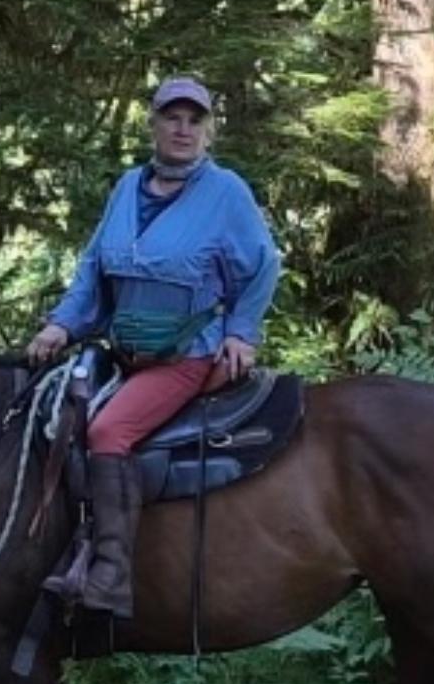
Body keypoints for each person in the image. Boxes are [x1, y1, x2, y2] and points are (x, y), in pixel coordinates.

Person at [27, 76, 281, 620]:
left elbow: (263, 265)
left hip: (185, 356)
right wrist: (61, 325)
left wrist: (241, 333)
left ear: (209, 130)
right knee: (49, 416)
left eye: (195, 120)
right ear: (154, 124)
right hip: (123, 351)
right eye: (172, 117)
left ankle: (111, 577)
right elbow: (94, 268)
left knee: (108, 431)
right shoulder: (127, 187)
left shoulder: (226, 192)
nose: (182, 129)